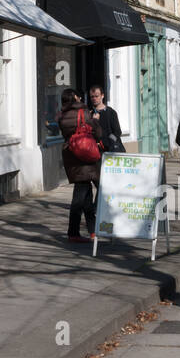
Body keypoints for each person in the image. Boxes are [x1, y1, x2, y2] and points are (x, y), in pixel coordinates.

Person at [59, 88, 99, 243]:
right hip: (85, 155)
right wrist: (95, 120)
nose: (80, 98)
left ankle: (93, 230)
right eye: (78, 96)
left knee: (86, 192)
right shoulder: (84, 113)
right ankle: (73, 232)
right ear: (75, 97)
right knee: (79, 197)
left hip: (71, 156)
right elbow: (98, 133)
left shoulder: (61, 116)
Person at [88, 85, 124, 155]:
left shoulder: (111, 112)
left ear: (102, 96)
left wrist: (108, 142)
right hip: (95, 151)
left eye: (96, 96)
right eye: (92, 97)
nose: (94, 98)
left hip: (110, 151)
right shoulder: (89, 113)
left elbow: (117, 132)